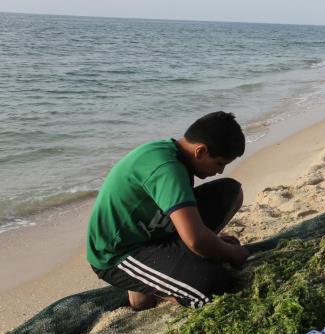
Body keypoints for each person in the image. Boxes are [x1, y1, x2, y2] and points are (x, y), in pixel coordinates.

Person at [87, 112, 248, 310]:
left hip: (151, 230)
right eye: (220, 164)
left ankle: (172, 266)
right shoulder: (167, 168)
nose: (220, 171)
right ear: (200, 151)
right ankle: (155, 290)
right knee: (214, 286)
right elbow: (196, 240)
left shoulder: (176, 155)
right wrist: (231, 253)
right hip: (118, 253)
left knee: (230, 193)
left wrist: (213, 243)